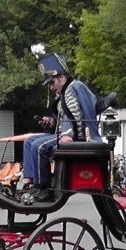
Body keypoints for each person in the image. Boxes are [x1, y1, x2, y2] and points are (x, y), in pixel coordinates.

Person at [20, 45, 101, 203]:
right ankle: (30, 183)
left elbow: (78, 115)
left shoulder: (74, 87)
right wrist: (50, 122)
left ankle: (44, 188)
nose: (51, 87)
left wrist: (68, 135)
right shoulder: (64, 93)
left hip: (77, 137)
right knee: (29, 142)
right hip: (64, 133)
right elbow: (62, 120)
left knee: (39, 146)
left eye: (52, 82)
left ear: (62, 77)